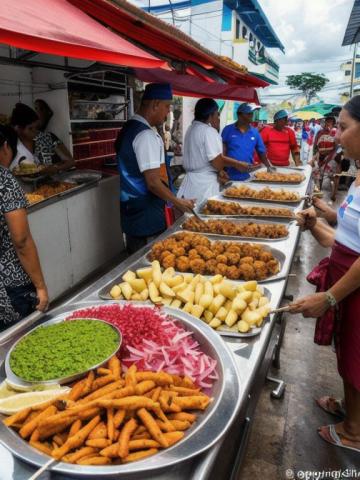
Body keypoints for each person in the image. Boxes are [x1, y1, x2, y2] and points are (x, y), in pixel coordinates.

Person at [291, 95, 360, 453]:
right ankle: (351, 408)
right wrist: (316, 223)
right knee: (346, 349)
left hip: (355, 283)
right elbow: (346, 236)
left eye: (344, 128)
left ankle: (354, 432)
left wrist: (330, 296)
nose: (337, 134)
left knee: (356, 355)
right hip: (346, 273)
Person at [115, 83, 194, 254]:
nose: (168, 112)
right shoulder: (145, 135)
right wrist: (178, 201)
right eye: (167, 106)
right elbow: (152, 183)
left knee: (134, 261)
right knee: (150, 264)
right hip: (148, 217)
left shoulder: (127, 129)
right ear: (155, 104)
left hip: (131, 211)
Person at [0, 125, 48, 329]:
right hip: (10, 286)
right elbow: (21, 240)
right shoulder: (5, 181)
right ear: (5, 147)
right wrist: (41, 287)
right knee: (21, 342)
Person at [177, 98, 255, 203]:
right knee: (203, 217)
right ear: (210, 116)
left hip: (190, 184)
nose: (218, 118)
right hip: (203, 186)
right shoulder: (208, 131)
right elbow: (217, 162)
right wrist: (237, 164)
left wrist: (220, 171)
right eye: (217, 115)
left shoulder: (190, 129)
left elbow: (206, 159)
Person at [10, 103, 74, 173]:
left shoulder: (47, 138)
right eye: (30, 128)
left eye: (36, 127)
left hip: (54, 182)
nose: (35, 132)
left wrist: (56, 168)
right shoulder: (10, 147)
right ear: (18, 129)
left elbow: (70, 161)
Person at [221, 103, 273, 181]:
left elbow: (261, 153)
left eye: (252, 113)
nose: (251, 115)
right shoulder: (227, 130)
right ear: (239, 115)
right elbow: (222, 153)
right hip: (229, 176)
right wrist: (220, 170)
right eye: (249, 113)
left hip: (249, 177)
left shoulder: (255, 132)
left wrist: (269, 167)